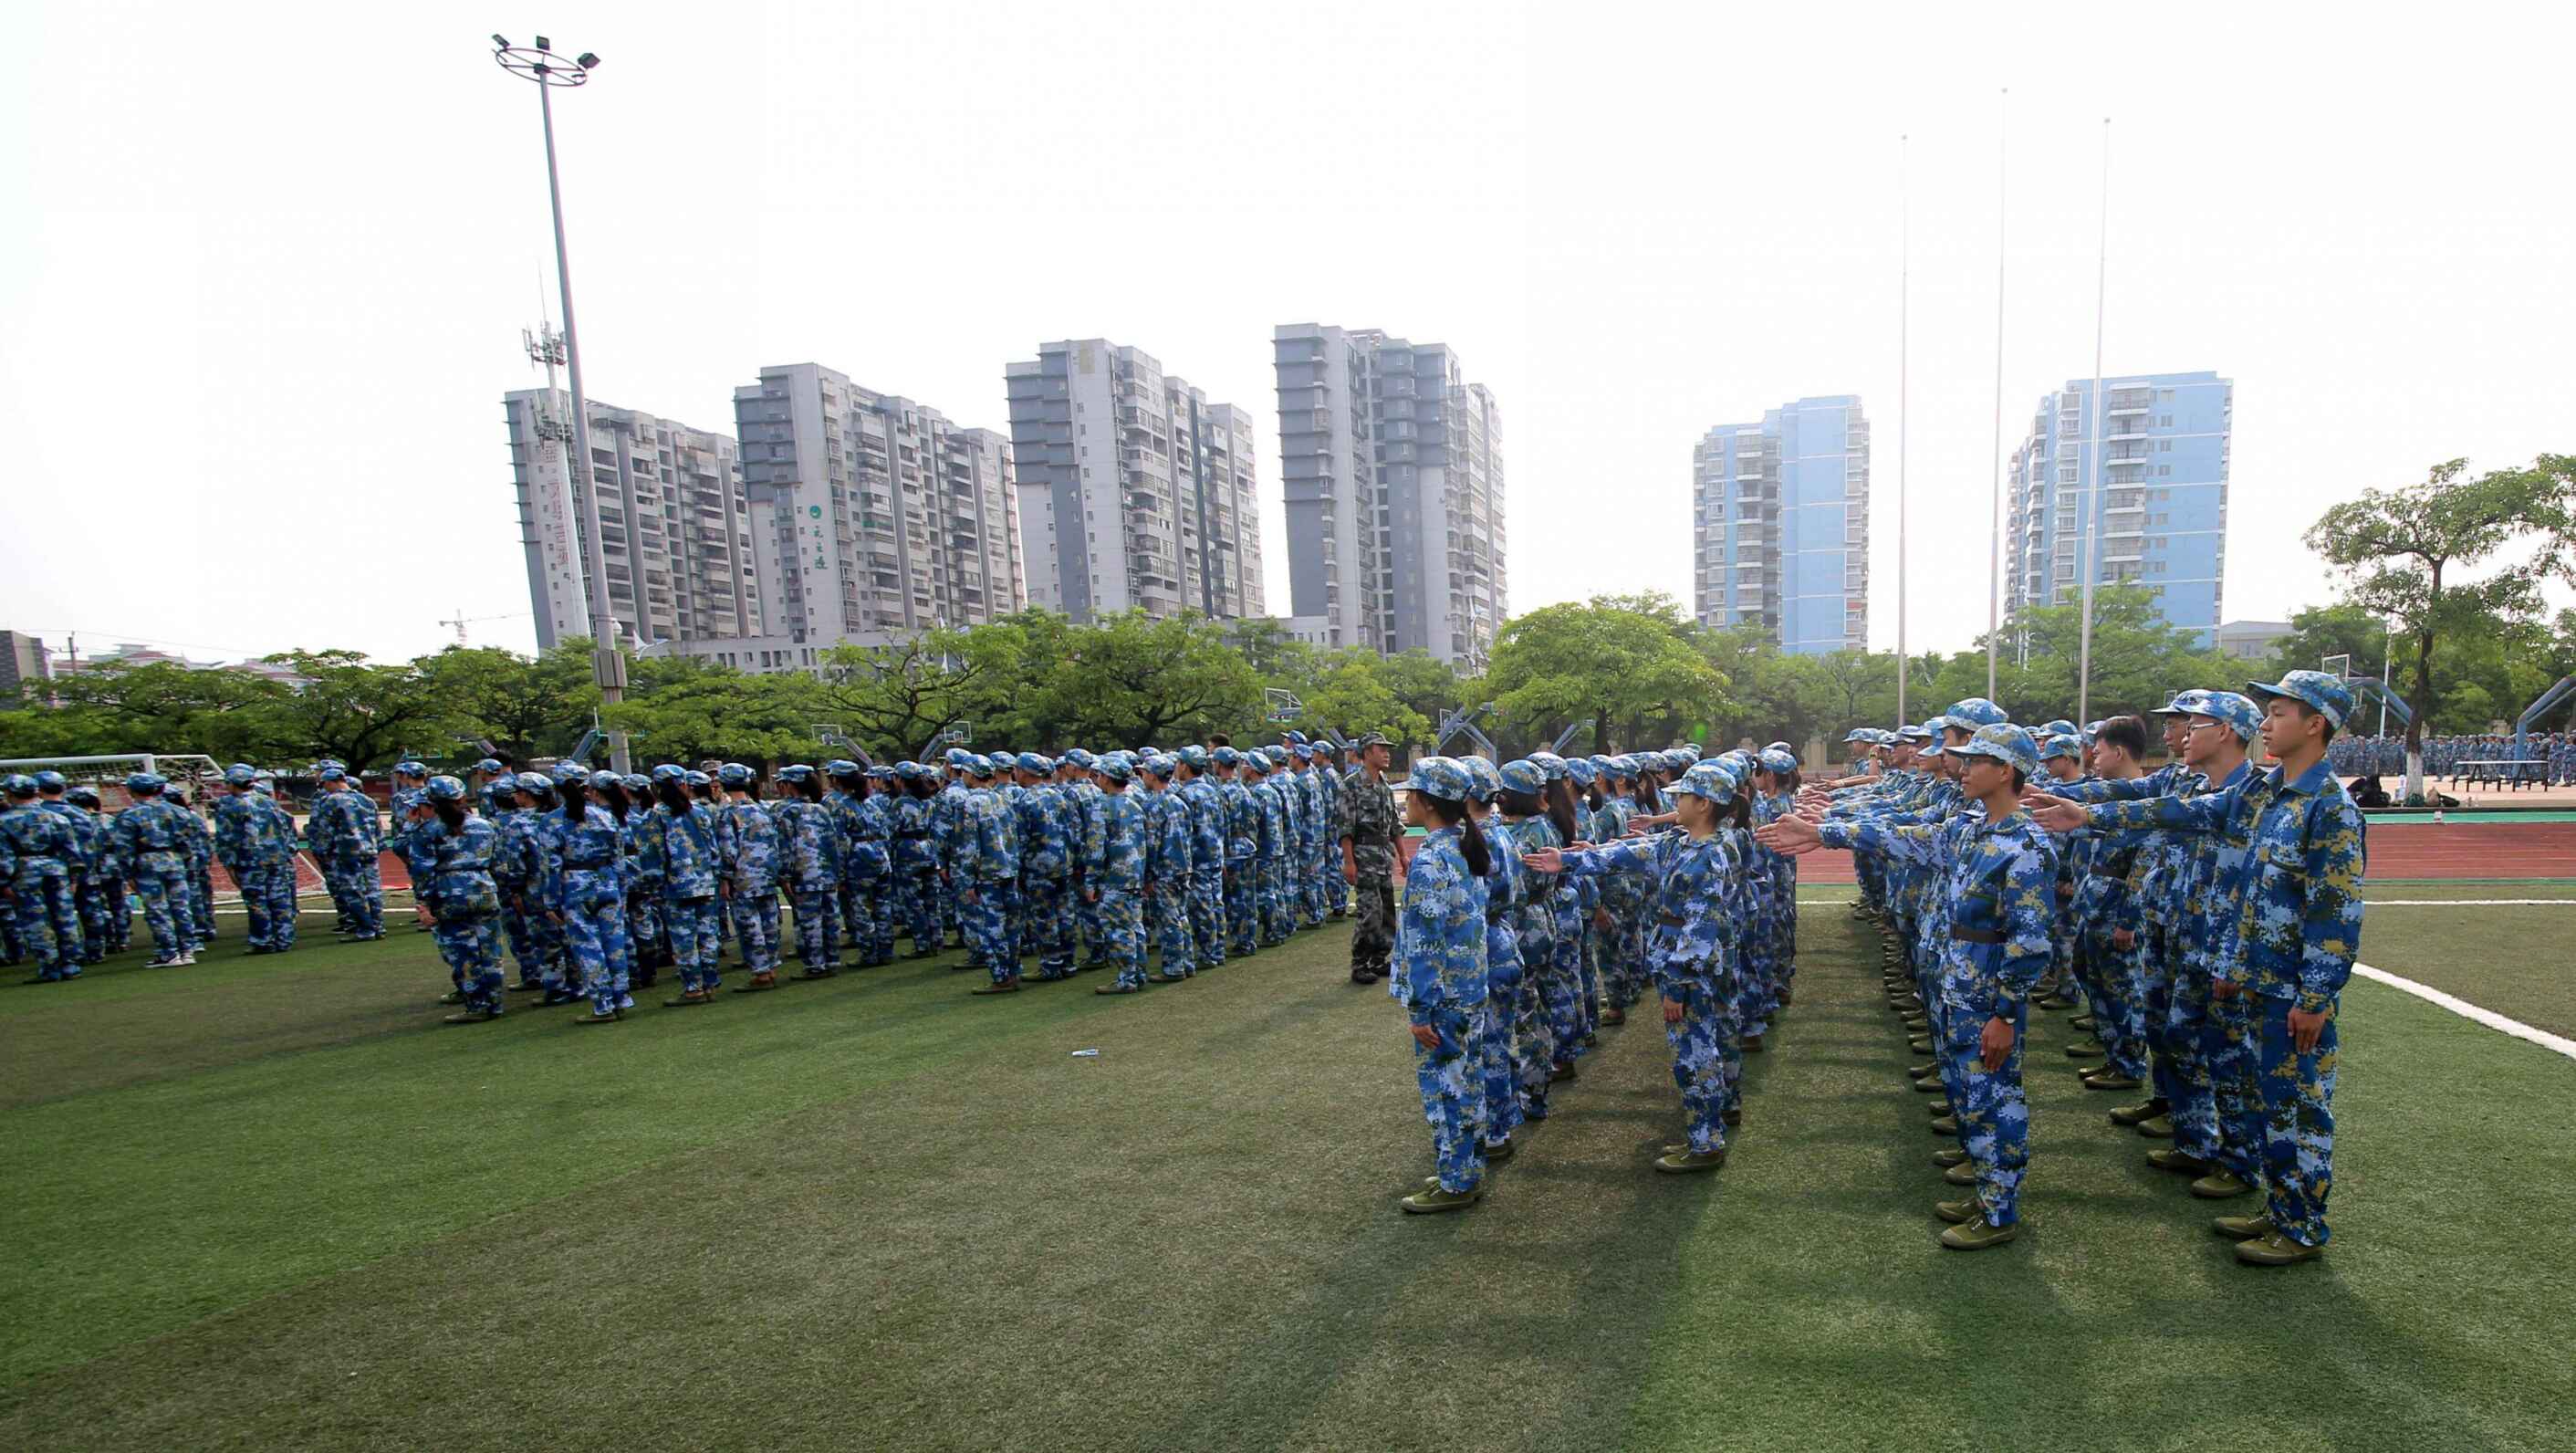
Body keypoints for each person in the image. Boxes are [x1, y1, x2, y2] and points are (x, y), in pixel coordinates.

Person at [2027, 672, 2366, 1266]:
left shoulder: (2328, 809)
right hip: (2254, 978)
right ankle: (2281, 1209)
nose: (2266, 722)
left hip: (2290, 991)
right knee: (2268, 1104)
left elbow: (2334, 913)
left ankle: (2303, 1227)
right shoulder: (2265, 794)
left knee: (2299, 1109)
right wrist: (2088, 817)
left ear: (2314, 724)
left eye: (2279, 712)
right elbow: (2184, 810)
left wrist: (2314, 997)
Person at [1766, 723, 2059, 1251]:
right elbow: (1906, 837)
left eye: (1975, 762)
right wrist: (1823, 832)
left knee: (1995, 1097)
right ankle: (1985, 1187)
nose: (1962, 769)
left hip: (1986, 997)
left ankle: (2000, 1210)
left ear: (2007, 771)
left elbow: (2030, 943)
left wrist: (2007, 1014)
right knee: (1966, 1093)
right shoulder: (1971, 829)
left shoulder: (2025, 845)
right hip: (1955, 985)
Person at [1528, 758, 1750, 1174]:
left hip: (1693, 965)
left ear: (1704, 805)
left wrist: (1679, 983)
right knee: (1718, 1035)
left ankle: (1705, 1142)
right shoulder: (1685, 842)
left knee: (1695, 1050)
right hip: (1705, 959)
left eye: (1684, 795)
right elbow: (1633, 852)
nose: (1675, 800)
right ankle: (1724, 1108)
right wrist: (1574, 859)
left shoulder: (1709, 856)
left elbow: (1701, 926)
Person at [1386, 758, 1493, 1215]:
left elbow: (1425, 943)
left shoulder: (1431, 859)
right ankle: (1464, 1168)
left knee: (1447, 1089)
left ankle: (1457, 1181)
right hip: (1467, 990)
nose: (1406, 802)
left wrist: (1420, 1010)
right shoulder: (1461, 848)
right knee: (1465, 1082)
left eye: (1410, 795)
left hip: (1445, 998)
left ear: (1426, 803)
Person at [403, 775, 508, 1025]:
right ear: (462, 798)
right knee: (490, 950)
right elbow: (501, 863)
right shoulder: (484, 825)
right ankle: (495, 1002)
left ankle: (477, 1004)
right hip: (484, 889)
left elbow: (422, 871)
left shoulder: (427, 831)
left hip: (449, 893)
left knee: (463, 952)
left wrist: (424, 904)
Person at [638, 765, 725, 1007]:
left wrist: (653, 887)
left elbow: (652, 857)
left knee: (684, 939)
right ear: (685, 785)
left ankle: (693, 988)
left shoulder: (654, 816)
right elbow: (714, 848)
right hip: (705, 882)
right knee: (708, 935)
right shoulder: (699, 812)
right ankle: (710, 982)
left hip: (675, 887)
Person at [557, 770, 636, 1023]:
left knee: (587, 945)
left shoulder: (554, 820)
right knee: (614, 943)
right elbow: (620, 858)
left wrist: (549, 900)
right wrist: (621, 889)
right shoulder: (605, 816)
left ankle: (603, 1004)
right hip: (608, 882)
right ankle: (621, 997)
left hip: (574, 885)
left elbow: (549, 865)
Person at [1, 773, 83, 982]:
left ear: (9, 793)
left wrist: (4, 883)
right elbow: (72, 852)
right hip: (56, 869)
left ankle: (49, 966)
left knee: (35, 919)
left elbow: (4, 857)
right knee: (64, 917)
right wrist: (74, 878)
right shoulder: (57, 818)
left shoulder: (4, 821)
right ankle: (71, 963)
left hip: (24, 871)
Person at [112, 773, 199, 966]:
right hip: (174, 860)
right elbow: (188, 840)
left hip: (147, 863)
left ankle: (169, 953)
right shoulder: (177, 811)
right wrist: (186, 861)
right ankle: (188, 949)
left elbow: (123, 849)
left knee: (158, 909)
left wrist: (128, 874)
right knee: (181, 907)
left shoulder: (128, 815)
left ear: (132, 791)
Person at [1082, 755, 1150, 996]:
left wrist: (1090, 880)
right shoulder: (1135, 805)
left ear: (1108, 779)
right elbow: (1145, 843)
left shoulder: (1100, 807)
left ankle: (1127, 979)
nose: (1097, 779)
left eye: (1100, 775)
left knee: (1118, 930)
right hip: (1134, 875)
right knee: (1135, 927)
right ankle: (1139, 974)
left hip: (1114, 878)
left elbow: (1096, 848)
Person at [1340, 733, 1400, 986]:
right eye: (1381, 748)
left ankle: (1378, 959)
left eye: (1388, 749)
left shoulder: (1385, 784)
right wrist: (1349, 862)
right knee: (1369, 913)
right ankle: (1360, 963)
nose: (1386, 753)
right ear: (1366, 752)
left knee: (1387, 914)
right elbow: (1345, 827)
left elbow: (1394, 823)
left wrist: (1403, 856)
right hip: (1363, 857)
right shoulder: (1351, 785)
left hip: (1384, 857)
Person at [1139, 755, 1197, 983]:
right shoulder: (1178, 801)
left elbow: (1151, 844)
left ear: (1152, 775)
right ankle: (1187, 962)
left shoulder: (1153, 804)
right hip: (1183, 866)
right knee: (1181, 916)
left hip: (1165, 870)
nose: (1142, 777)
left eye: (1144, 772)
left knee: (1168, 920)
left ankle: (1173, 967)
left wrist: (1147, 875)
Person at [1174, 746, 1230, 973]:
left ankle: (1209, 953)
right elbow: (1223, 825)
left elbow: (1181, 834)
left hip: (1197, 860)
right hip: (1214, 857)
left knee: (1202, 908)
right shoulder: (1213, 791)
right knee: (1215, 904)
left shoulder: (1185, 795)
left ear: (1185, 766)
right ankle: (1217, 950)